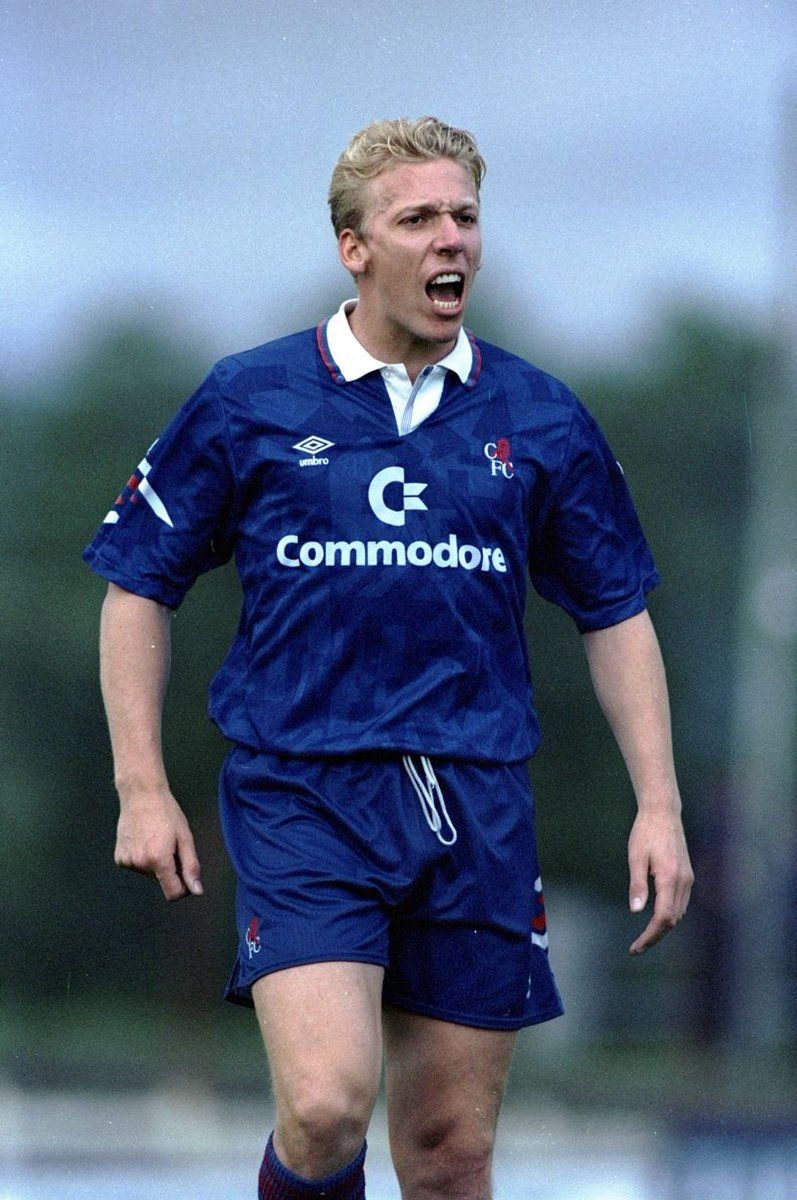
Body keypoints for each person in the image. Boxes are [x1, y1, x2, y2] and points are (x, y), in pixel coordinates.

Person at [84, 116, 694, 1200]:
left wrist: (659, 805)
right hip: (305, 794)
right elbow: (137, 584)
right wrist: (141, 785)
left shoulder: (539, 414)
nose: (449, 239)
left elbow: (613, 613)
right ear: (354, 248)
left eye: (464, 217)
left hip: (477, 804)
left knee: (448, 1155)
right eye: (417, 219)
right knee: (325, 1105)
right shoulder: (249, 398)